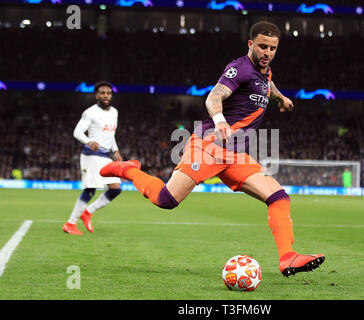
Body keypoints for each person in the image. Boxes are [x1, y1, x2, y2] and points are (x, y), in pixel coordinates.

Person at [100, 21, 325, 277]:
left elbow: (267, 85)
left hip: (235, 155)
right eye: (262, 46)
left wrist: (280, 97)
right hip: (209, 145)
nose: (267, 53)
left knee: (279, 198)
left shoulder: (266, 71)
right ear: (250, 44)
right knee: (166, 200)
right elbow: (213, 97)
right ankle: (128, 170)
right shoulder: (239, 68)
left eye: (273, 48)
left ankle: (288, 257)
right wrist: (220, 123)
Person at [63, 81, 123, 235]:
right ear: (96, 95)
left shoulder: (114, 112)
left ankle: (87, 212)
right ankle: (70, 223)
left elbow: (110, 135)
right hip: (91, 155)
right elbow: (77, 132)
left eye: (108, 93)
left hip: (105, 155)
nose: (105, 95)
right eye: (102, 93)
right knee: (90, 189)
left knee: (116, 189)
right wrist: (89, 141)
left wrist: (115, 150)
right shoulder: (90, 112)